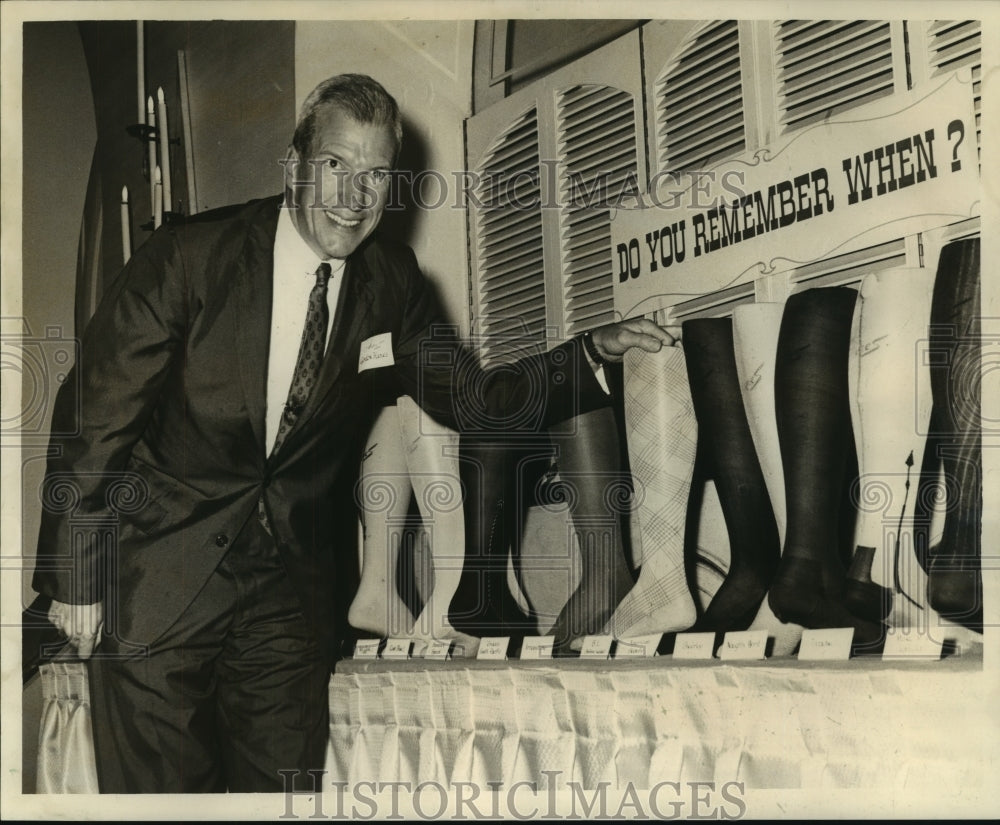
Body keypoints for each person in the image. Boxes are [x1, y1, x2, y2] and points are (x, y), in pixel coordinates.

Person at [32, 73, 675, 793]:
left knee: (283, 797)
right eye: (337, 165)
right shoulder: (190, 258)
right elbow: (92, 417)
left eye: (375, 175)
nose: (354, 195)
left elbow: (476, 401)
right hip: (157, 578)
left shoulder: (391, 284)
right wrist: (77, 578)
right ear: (294, 166)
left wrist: (588, 352)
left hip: (285, 601)